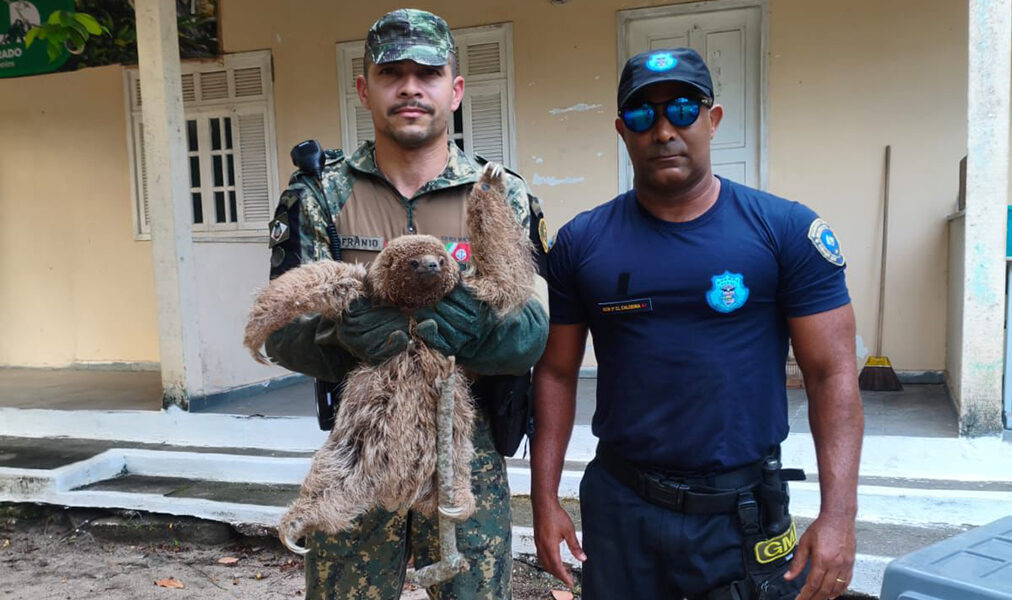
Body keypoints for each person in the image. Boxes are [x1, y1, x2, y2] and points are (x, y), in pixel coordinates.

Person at [530, 47, 864, 600]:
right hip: (621, 508)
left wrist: (839, 517)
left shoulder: (785, 230)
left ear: (713, 119)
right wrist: (545, 500)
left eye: (683, 109)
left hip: (741, 513)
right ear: (622, 130)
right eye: (642, 115)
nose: (663, 130)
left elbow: (833, 375)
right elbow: (557, 374)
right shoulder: (582, 243)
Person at [263, 9, 550, 599]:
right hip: (362, 448)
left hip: (468, 454)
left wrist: (474, 332)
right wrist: (339, 335)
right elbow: (279, 325)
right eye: (393, 73)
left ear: (456, 88)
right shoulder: (322, 194)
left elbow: (531, 331)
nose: (411, 88)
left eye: (429, 73)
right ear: (365, 88)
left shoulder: (498, 194)